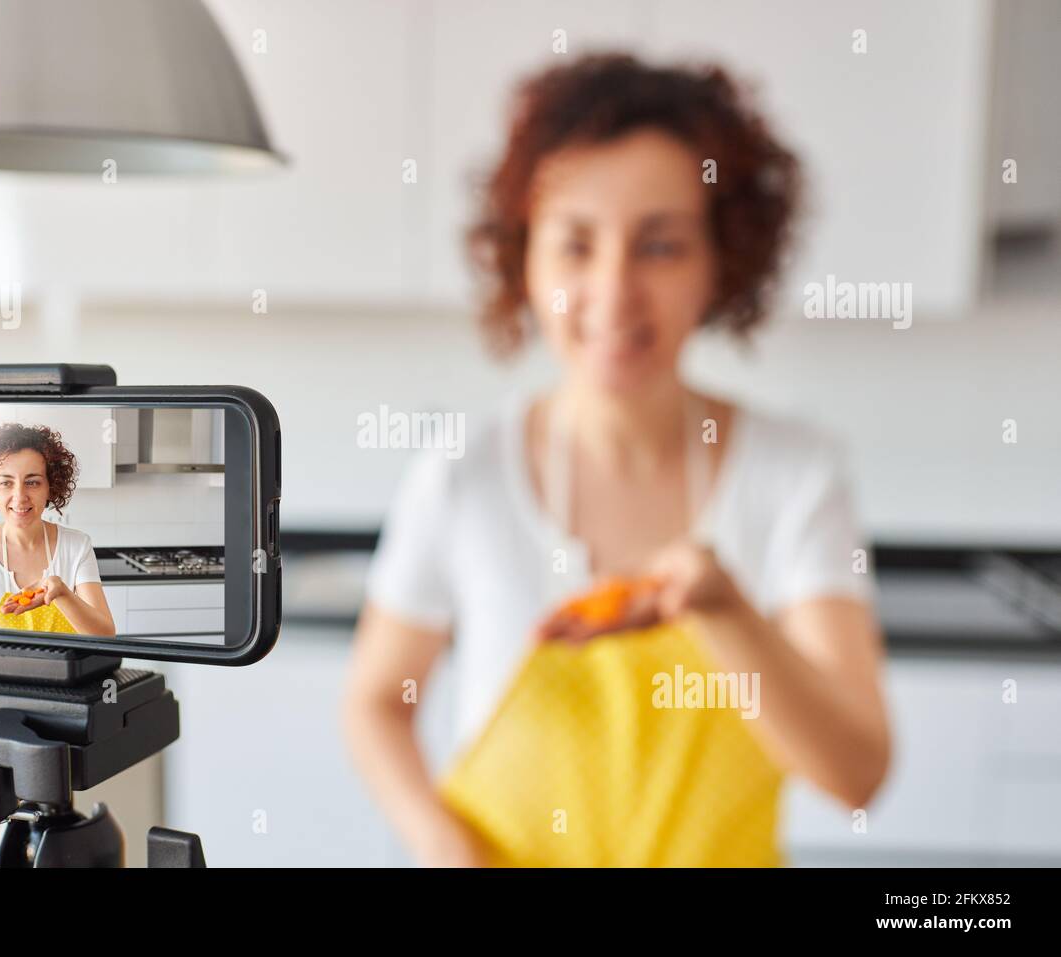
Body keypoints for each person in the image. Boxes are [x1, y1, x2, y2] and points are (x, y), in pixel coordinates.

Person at [343, 53, 890, 867]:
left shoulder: (796, 476)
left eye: (660, 246)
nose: (613, 290)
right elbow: (376, 702)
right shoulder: (463, 475)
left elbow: (857, 773)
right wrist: (443, 844)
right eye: (575, 245)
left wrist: (725, 610)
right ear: (524, 260)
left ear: (721, 263)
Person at [0, 422, 115, 637]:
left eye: (32, 482)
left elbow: (105, 635)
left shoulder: (77, 546)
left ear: (51, 486)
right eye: (6, 482)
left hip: (63, 670)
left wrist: (61, 593)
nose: (20, 496)